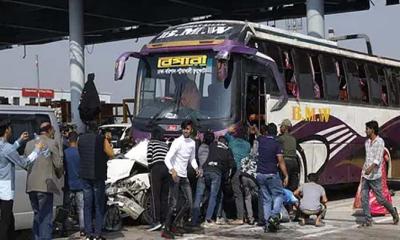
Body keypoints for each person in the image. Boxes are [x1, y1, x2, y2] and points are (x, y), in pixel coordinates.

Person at [0, 120, 44, 240]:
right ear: (6, 130)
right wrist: (37, 150)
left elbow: (7, 152)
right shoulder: (7, 148)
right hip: (6, 189)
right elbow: (25, 163)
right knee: (5, 221)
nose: (11, 130)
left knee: (9, 218)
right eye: (10, 128)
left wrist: (19, 141)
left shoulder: (5, 147)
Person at [162, 120, 201, 239]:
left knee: (189, 203)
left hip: (184, 176)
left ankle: (174, 225)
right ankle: (166, 229)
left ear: (191, 130)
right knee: (173, 203)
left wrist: (196, 168)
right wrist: (172, 170)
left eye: (188, 129)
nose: (185, 131)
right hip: (175, 176)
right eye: (184, 128)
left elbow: (192, 159)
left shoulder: (192, 143)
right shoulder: (177, 142)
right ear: (182, 129)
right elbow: (167, 158)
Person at [25, 122, 63, 240]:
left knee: (37, 215)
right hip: (45, 186)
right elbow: (58, 164)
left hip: (31, 186)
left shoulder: (29, 144)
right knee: (46, 217)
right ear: (50, 130)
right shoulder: (51, 143)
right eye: (53, 131)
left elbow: (26, 164)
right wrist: (59, 174)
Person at [78, 121, 114, 240]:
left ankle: (88, 233)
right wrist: (108, 142)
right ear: (97, 129)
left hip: (85, 174)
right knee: (98, 205)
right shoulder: (101, 139)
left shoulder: (80, 139)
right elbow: (111, 153)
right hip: (98, 175)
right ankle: (97, 233)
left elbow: (81, 154)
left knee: (87, 205)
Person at [359, 120, 399, 227]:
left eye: (367, 129)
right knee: (364, 198)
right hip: (366, 175)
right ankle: (368, 220)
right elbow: (368, 158)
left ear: (372, 130)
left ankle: (393, 212)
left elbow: (378, 159)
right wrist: (364, 171)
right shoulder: (367, 142)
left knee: (380, 199)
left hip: (375, 175)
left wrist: (370, 168)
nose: (365, 131)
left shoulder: (380, 142)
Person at [192, 136, 234, 227]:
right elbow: (232, 165)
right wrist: (226, 176)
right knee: (213, 196)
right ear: (226, 143)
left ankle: (194, 219)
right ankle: (208, 219)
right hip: (216, 173)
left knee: (198, 195)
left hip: (204, 171)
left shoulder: (212, 145)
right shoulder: (228, 150)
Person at [256, 123, 288, 233]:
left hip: (260, 174)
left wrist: (255, 128)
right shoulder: (277, 143)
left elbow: (258, 134)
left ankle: (267, 223)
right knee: (279, 195)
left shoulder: (261, 140)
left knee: (266, 200)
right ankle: (273, 216)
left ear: (266, 132)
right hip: (271, 174)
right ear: (276, 133)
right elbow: (281, 161)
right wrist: (286, 175)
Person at [224, 124, 251, 225]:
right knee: (246, 194)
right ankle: (249, 216)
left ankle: (240, 218)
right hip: (245, 172)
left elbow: (225, 134)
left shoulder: (232, 142)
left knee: (237, 194)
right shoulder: (248, 145)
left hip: (235, 171)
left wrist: (229, 129)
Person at [147, 127, 169, 232]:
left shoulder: (151, 143)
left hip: (156, 168)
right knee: (164, 197)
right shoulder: (165, 144)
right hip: (167, 169)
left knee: (155, 196)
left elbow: (149, 158)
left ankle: (156, 221)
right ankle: (164, 221)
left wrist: (149, 170)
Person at [64, 131, 85, 236]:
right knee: (81, 208)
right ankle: (82, 229)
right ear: (77, 140)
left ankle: (65, 228)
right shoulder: (81, 152)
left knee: (66, 208)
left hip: (68, 184)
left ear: (68, 140)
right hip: (80, 184)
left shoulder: (65, 152)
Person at [278, 119, 298, 192]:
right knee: (293, 184)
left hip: (286, 162)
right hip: (295, 162)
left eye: (281, 127)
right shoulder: (293, 139)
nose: (280, 128)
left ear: (285, 128)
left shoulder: (281, 138)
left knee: (284, 182)